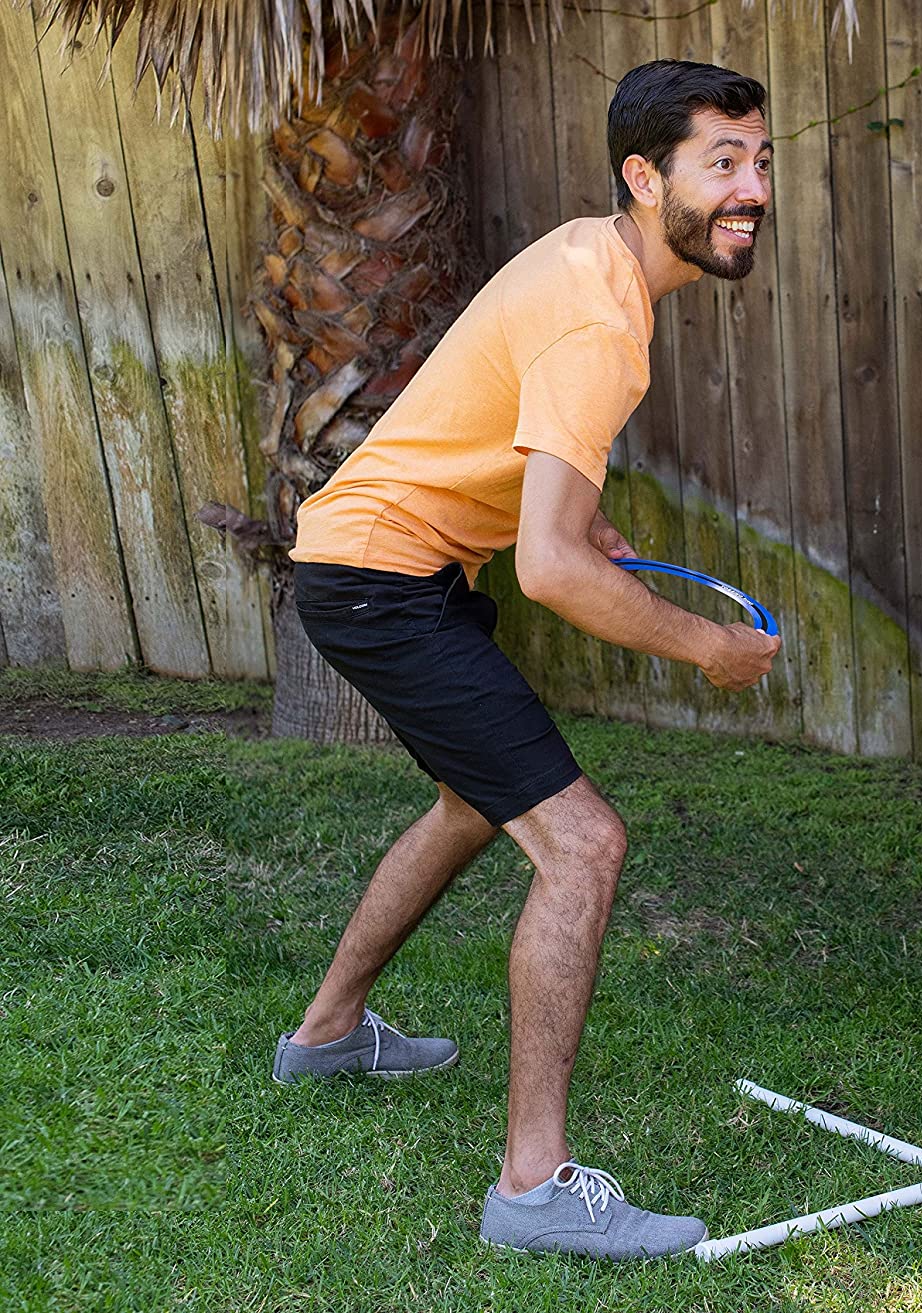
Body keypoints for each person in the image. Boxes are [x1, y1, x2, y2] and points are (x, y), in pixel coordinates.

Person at [273, 59, 782, 1258]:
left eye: (761, 162)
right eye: (725, 164)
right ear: (645, 176)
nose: (753, 188)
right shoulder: (603, 315)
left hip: (393, 567)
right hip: (378, 581)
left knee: (472, 799)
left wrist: (566, 508)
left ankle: (328, 1031)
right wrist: (710, 645)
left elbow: (519, 448)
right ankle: (531, 1186)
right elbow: (553, 571)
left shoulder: (587, 260)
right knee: (583, 841)